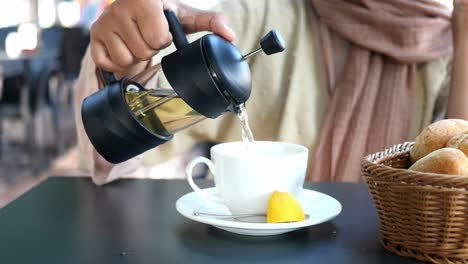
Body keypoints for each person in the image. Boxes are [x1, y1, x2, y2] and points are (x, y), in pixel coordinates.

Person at [74, 0, 468, 185]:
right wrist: (130, 65)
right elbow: (109, 156)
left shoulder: (450, 49)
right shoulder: (258, 18)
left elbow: (458, 177)